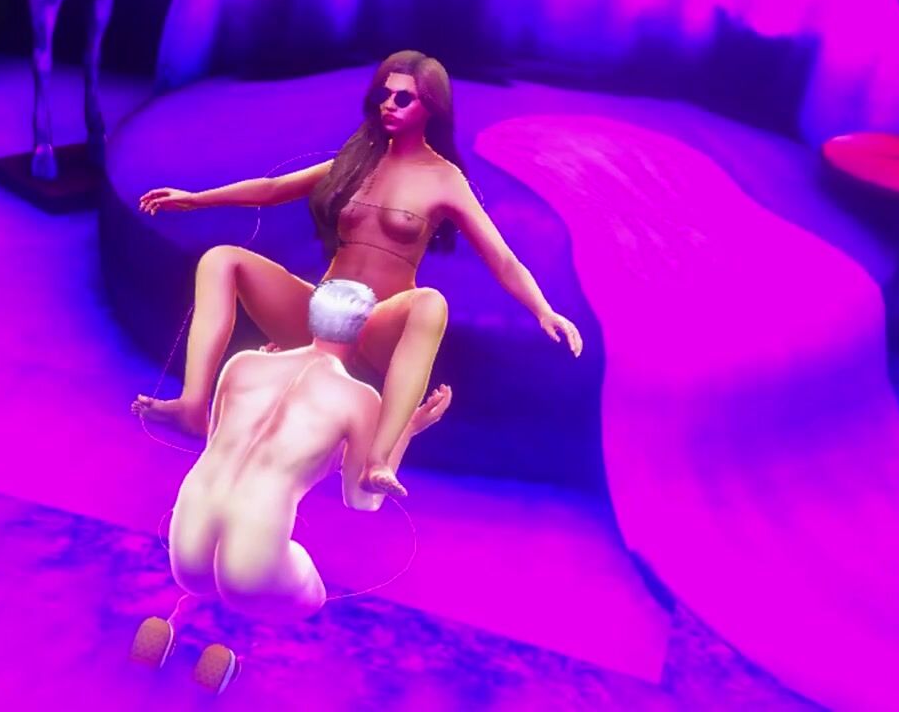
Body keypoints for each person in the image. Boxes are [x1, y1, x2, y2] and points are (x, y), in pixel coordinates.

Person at [131, 50, 581, 498]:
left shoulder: (445, 179)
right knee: (220, 259)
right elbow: (273, 189)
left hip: (376, 328)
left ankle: (378, 460)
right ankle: (194, 406)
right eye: (384, 94)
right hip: (320, 315)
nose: (389, 105)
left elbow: (501, 258)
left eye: (403, 98)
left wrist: (543, 310)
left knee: (431, 303)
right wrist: (196, 198)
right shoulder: (358, 159)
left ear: (431, 106)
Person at [131, 280, 450, 684]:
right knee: (309, 593)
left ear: (311, 317)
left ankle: (176, 618)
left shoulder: (243, 363)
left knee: (212, 576)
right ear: (363, 331)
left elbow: (216, 441)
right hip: (253, 558)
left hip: (187, 539)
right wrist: (408, 428)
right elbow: (362, 499)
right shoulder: (361, 399)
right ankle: (235, 651)